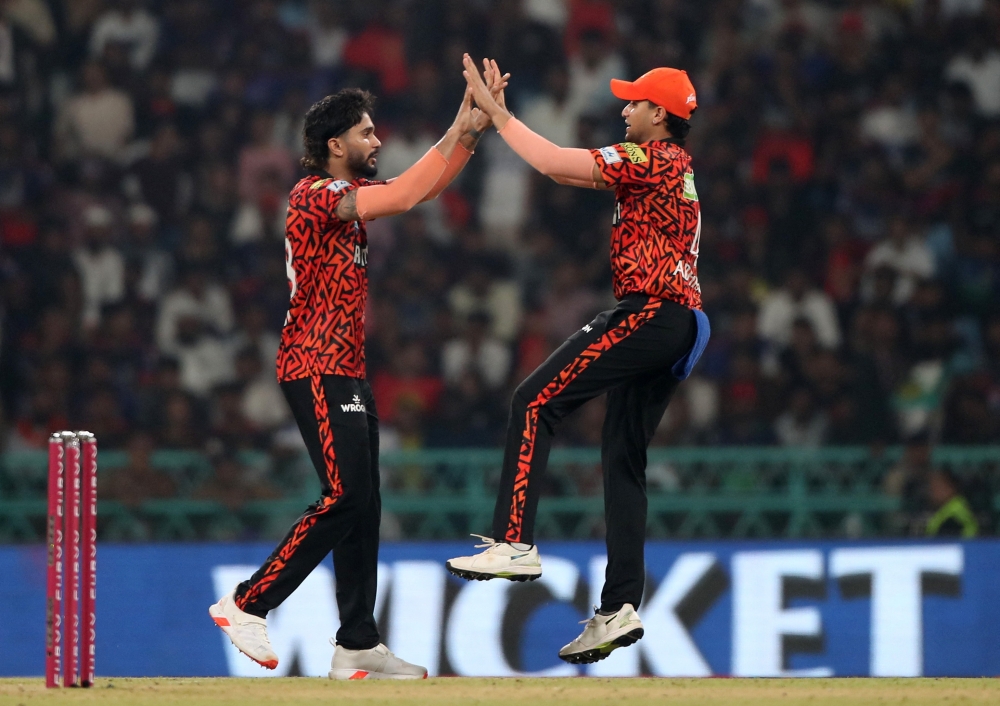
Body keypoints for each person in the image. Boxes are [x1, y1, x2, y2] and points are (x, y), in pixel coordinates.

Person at [209, 65, 508, 679]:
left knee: (365, 504)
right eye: (367, 134)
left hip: (344, 370)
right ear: (335, 145)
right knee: (345, 495)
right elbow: (402, 195)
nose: (378, 142)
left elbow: (422, 189)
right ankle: (245, 602)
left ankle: (357, 642)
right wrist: (458, 121)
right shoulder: (313, 193)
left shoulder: (347, 203)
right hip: (313, 365)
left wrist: (472, 130)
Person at [447, 57, 710, 664]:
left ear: (661, 115)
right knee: (623, 460)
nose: (624, 110)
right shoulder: (672, 168)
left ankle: (513, 540)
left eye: (635, 103)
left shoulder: (651, 159)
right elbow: (574, 174)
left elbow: (555, 165)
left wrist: (501, 117)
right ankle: (620, 606)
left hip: (651, 311)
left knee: (534, 400)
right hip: (681, 321)